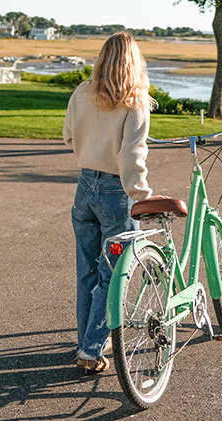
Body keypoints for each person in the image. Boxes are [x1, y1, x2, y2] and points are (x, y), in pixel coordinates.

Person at [63, 32, 157, 374]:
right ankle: (90, 350)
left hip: (85, 186)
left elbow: (69, 135)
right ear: (134, 62)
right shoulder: (136, 100)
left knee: (86, 271)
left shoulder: (81, 93)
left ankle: (85, 342)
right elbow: (132, 155)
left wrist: (90, 152)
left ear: (102, 59)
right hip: (116, 193)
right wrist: (142, 195)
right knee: (112, 274)